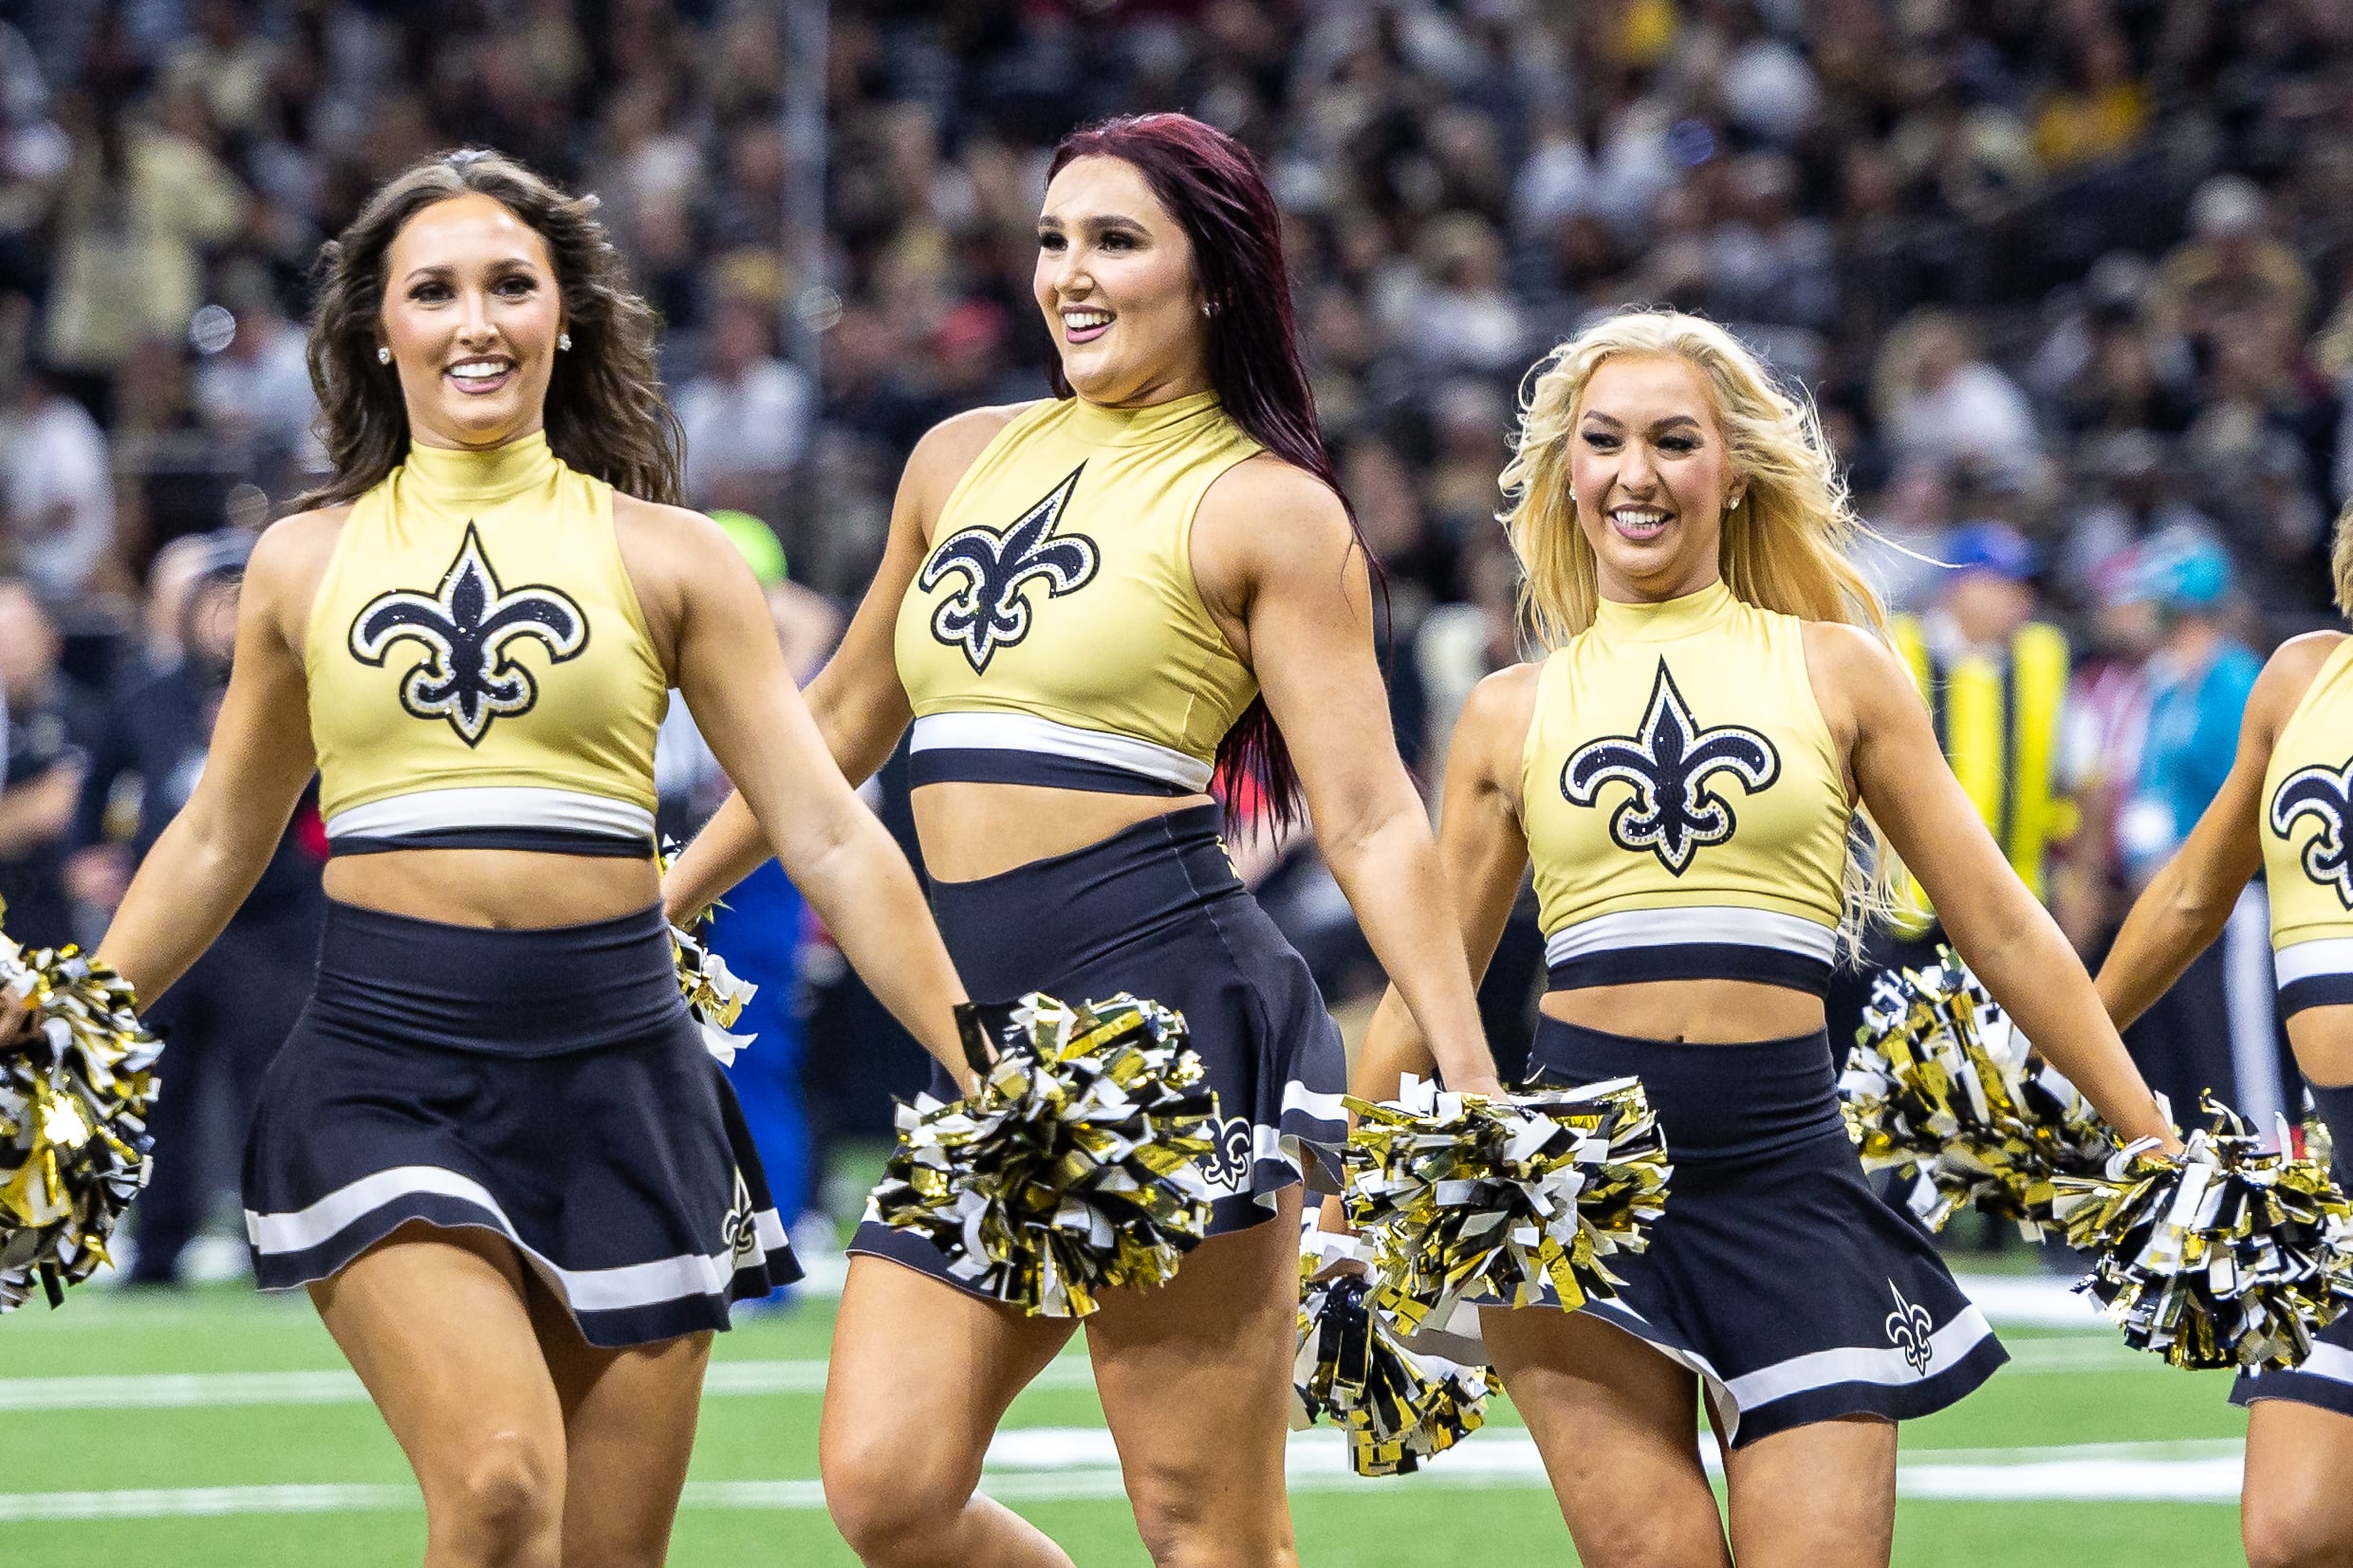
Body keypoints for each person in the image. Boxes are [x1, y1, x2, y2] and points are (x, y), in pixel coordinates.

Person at [78, 150, 973, 1568]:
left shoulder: (677, 557)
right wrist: (71, 1021)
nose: (475, 319)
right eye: (433, 290)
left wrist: (974, 1050)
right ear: (381, 327)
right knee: (498, 1493)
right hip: (385, 1069)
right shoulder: (305, 563)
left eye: (511, 284)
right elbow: (213, 838)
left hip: (625, 1076)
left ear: (567, 316)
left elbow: (823, 827)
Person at [662, 112, 1503, 1568]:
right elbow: (842, 715)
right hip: (984, 1041)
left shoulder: (1270, 506)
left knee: (1204, 1526)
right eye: (1055, 240)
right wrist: (670, 897)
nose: (1072, 274)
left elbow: (1367, 811)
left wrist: (1464, 1067)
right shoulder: (956, 457)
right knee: (888, 1488)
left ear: (1217, 279)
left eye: (1117, 241)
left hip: (1170, 1024)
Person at [1339, 310, 2177, 1567]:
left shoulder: (1842, 671)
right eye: (1605, 442)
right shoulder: (1506, 712)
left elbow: (2000, 921)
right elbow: (1423, 987)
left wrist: (2152, 1141)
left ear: (1732, 474)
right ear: (1567, 474)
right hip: (1579, 1196)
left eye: (1675, 441)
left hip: (1786, 1176)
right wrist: (1346, 1213)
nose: (1637, 473)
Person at [2095, 502, 2353, 1568]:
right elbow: (2193, 894)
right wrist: (2071, 1042)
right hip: (2330, 1173)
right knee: (2291, 1534)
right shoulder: (2302, 678)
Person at [68, 532, 327, 1286]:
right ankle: (157, 1248)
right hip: (179, 923)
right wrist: (86, 855)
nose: (222, 618)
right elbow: (95, 787)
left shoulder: (296, 689)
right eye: (209, 604)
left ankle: (273, 1247)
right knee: (159, 1091)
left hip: (272, 924)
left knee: (269, 1093)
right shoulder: (147, 696)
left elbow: (331, 802)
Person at [2112, 530, 2274, 1130]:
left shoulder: (2236, 682)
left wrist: (2184, 861)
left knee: (2239, 1067)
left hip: (2226, 908)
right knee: (2183, 1073)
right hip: (2166, 906)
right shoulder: (2163, 682)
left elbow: (2254, 800)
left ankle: (2273, 1204)